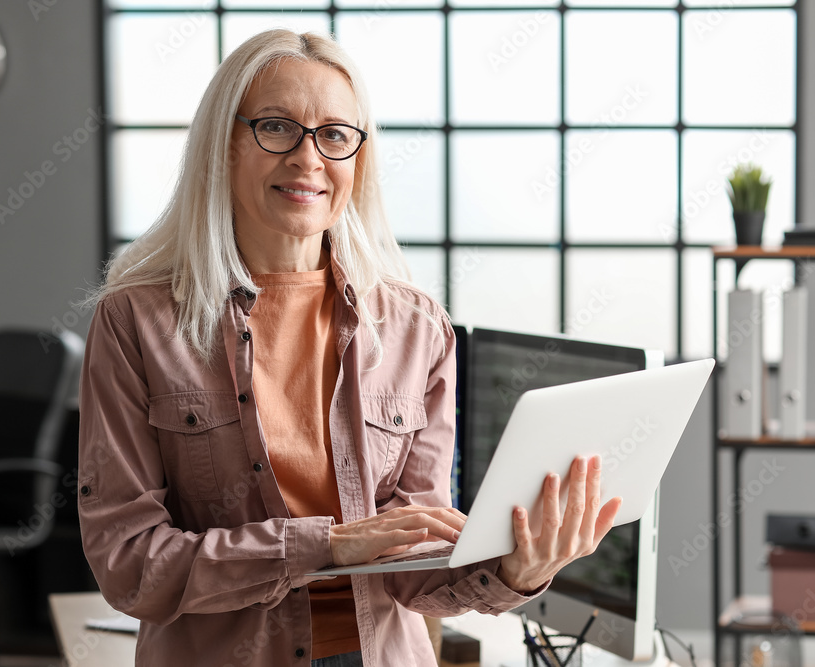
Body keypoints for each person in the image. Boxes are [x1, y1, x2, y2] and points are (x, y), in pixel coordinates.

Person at [76, 29, 622, 667]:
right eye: (278, 127)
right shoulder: (134, 322)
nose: (308, 158)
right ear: (223, 144)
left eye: (335, 135)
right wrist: (328, 546)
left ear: (358, 159)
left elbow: (415, 572)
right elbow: (128, 564)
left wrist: (516, 572)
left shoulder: (417, 328)